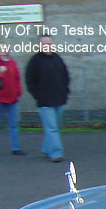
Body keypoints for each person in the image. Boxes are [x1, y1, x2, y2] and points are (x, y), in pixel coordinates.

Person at [25, 35, 70, 163]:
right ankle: (56, 153)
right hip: (45, 101)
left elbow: (65, 76)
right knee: (52, 128)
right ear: (39, 45)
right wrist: (38, 95)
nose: (47, 45)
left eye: (49, 43)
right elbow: (29, 80)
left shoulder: (57, 58)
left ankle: (46, 148)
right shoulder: (35, 61)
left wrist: (65, 92)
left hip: (59, 99)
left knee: (55, 127)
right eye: (44, 43)